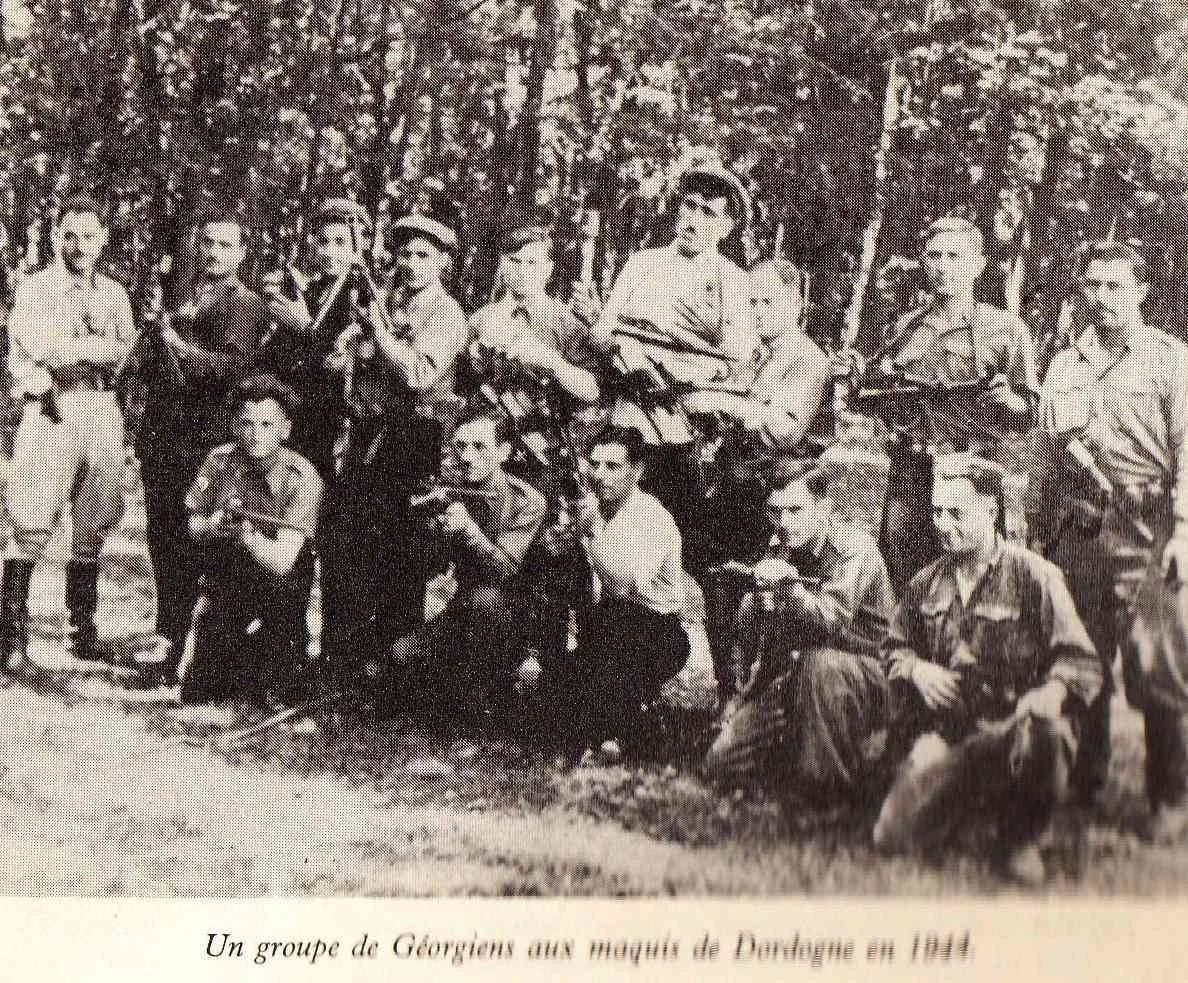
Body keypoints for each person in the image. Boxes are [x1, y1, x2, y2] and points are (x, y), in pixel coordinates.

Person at [874, 456, 1101, 886]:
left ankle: (1020, 838)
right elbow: (893, 648)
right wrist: (917, 669)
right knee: (892, 836)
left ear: (990, 509)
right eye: (937, 512)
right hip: (951, 734)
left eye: (955, 513)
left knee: (1049, 732)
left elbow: (1082, 662)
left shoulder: (1036, 575)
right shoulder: (926, 582)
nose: (942, 525)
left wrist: (1052, 692)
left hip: (1014, 730)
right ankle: (968, 810)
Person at [1030, 241, 1188, 842]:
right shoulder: (1068, 361)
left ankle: (1169, 794)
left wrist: (1183, 532)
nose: (1103, 298)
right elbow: (1047, 450)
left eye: (1117, 287)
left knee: (1155, 659)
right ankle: (1086, 779)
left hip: (1149, 539)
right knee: (1084, 653)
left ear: (1141, 292)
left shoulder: (1169, 361)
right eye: (1094, 286)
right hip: (1084, 531)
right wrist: (1038, 528)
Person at [845, 217, 1039, 593]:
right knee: (908, 579)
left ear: (979, 264)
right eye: (935, 256)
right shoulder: (905, 329)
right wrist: (868, 381)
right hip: (910, 474)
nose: (944, 266)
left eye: (955, 256)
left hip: (973, 475)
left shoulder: (1004, 329)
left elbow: (1030, 416)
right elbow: (874, 401)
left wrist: (1007, 400)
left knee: (978, 584)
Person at [318, 214, 468, 666]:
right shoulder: (389, 303)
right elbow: (343, 361)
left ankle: (390, 669)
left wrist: (380, 335)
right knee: (345, 546)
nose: (411, 262)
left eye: (423, 254)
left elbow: (421, 374)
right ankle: (340, 660)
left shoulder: (447, 314)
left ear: (442, 262)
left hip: (413, 445)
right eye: (404, 253)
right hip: (367, 439)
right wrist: (356, 338)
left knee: (400, 559)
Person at [684, 257, 833, 702]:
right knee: (719, 586)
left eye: (768, 301)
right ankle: (731, 694)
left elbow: (785, 428)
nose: (758, 310)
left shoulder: (807, 360)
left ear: (795, 302)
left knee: (772, 596)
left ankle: (773, 697)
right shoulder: (753, 356)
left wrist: (723, 404)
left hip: (784, 496)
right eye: (752, 302)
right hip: (739, 488)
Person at [704, 462, 896, 802]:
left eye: (795, 510)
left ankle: (828, 787)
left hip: (863, 676)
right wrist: (757, 605)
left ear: (823, 508)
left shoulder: (855, 548)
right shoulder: (783, 547)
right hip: (800, 674)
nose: (785, 522)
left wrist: (789, 589)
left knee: (819, 664)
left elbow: (830, 621)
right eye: (777, 511)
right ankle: (798, 756)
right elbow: (767, 638)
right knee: (721, 764)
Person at [1, 194, 136, 670]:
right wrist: (82, 347)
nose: (79, 245)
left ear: (103, 241)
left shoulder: (114, 293)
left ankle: (83, 631)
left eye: (89, 236)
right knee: (32, 518)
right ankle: (11, 635)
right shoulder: (36, 288)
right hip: (51, 405)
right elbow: (34, 347)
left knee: (96, 516)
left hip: (100, 405)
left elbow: (123, 350)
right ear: (56, 238)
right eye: (69, 235)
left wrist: (78, 347)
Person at [135, 208, 272, 674]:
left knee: (204, 540)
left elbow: (231, 368)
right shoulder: (183, 296)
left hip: (210, 441)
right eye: (208, 243)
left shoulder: (247, 304)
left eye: (226, 245)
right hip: (166, 438)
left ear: (242, 253)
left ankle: (197, 653)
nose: (215, 253)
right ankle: (166, 640)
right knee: (165, 539)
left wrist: (174, 341)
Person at [588, 164, 759, 535]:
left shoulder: (731, 280)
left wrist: (675, 374)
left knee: (669, 524)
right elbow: (601, 332)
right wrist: (622, 350)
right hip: (624, 416)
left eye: (708, 213)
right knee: (606, 523)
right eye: (689, 205)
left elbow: (740, 362)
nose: (693, 219)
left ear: (727, 227)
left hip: (681, 424)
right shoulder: (642, 262)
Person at [386, 408, 547, 720]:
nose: (467, 456)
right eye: (460, 446)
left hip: (520, 616)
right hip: (465, 608)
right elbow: (429, 569)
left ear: (503, 452)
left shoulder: (527, 500)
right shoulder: (456, 491)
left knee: (485, 602)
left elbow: (508, 572)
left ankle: (480, 707)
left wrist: (469, 531)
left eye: (479, 447)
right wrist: (428, 527)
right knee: (399, 657)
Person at [179, 374, 324, 706]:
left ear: (285, 429)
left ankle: (279, 665)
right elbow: (192, 523)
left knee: (278, 690)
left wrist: (245, 532)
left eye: (266, 424)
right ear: (234, 424)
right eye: (247, 423)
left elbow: (283, 561)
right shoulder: (219, 461)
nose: (255, 434)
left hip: (280, 584)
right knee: (201, 690)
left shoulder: (301, 477)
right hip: (230, 575)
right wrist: (214, 524)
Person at [560, 426, 690, 762]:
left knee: (615, 624)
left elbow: (621, 586)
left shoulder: (651, 517)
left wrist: (592, 533)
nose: (600, 475)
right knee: (557, 696)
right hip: (603, 625)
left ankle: (619, 727)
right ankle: (626, 715)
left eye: (612, 467)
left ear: (636, 471)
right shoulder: (595, 508)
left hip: (656, 632)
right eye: (596, 465)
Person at [260, 198, 379, 479]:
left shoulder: (363, 295)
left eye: (341, 242)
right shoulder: (313, 288)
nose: (330, 252)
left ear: (360, 245)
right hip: (292, 409)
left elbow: (342, 360)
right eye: (324, 242)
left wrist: (304, 328)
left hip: (328, 419)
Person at [468, 222, 601, 408]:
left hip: (541, 428)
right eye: (514, 261)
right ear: (503, 264)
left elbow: (593, 390)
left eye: (532, 263)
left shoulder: (568, 324)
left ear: (548, 269)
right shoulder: (481, 319)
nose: (522, 272)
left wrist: (551, 361)